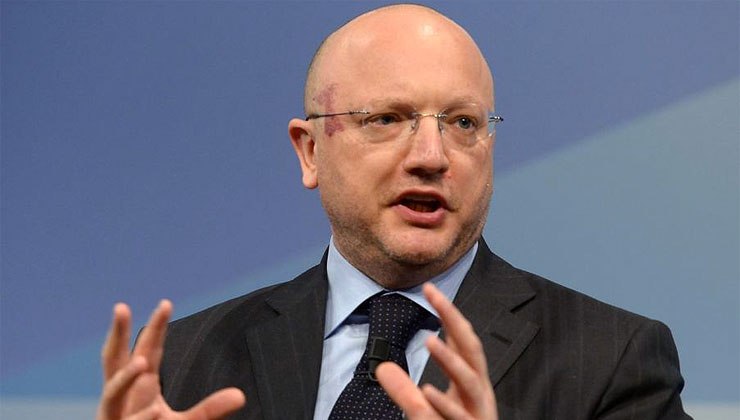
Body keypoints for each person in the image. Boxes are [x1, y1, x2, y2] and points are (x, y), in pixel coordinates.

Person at [96, 4, 691, 420]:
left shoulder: (614, 359)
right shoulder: (184, 361)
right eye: (387, 119)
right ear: (310, 151)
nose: (432, 156)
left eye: (463, 123)